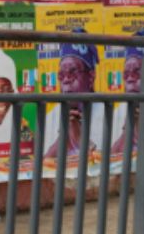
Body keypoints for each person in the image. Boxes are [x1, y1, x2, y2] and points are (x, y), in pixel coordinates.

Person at [44, 30, 106, 158]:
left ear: (91, 78)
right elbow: (44, 164)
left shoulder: (107, 112)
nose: (66, 80)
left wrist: (77, 135)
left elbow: (111, 163)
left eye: (73, 72)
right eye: (62, 74)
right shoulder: (51, 116)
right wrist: (64, 136)